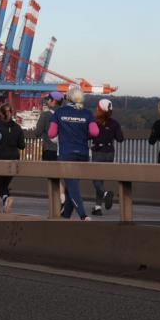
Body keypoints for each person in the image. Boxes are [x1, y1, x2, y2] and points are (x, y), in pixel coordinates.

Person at [48, 86, 99, 221]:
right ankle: (65, 217)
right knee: (72, 185)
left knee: (72, 186)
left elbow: (51, 133)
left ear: (68, 98)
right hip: (83, 154)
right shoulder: (87, 113)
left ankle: (83, 215)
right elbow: (95, 132)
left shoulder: (59, 112)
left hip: (66, 154)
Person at [90, 98, 124, 216]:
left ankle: (105, 194)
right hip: (110, 153)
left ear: (99, 109)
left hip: (98, 152)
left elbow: (88, 136)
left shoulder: (94, 122)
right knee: (101, 179)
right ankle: (97, 207)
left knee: (95, 179)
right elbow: (120, 139)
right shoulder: (114, 123)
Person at [0, 103, 25, 213]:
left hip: (0, 157)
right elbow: (22, 145)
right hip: (14, 158)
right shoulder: (17, 127)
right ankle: (5, 200)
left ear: (0, 113)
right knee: (4, 183)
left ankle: (6, 198)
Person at [34, 92, 62, 161]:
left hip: (49, 150)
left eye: (48, 99)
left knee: (48, 170)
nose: (47, 101)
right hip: (63, 150)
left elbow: (37, 132)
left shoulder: (45, 115)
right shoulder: (64, 115)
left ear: (54, 101)